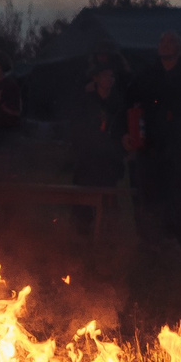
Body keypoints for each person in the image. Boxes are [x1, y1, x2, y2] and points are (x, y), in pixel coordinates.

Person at [132, 31, 181, 248]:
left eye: (171, 42)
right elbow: (132, 104)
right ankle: (151, 241)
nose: (165, 45)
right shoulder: (147, 76)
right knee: (150, 194)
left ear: (180, 47)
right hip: (152, 147)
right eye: (162, 41)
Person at [69, 57, 131, 234]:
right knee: (83, 198)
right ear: (96, 78)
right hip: (87, 158)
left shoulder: (118, 103)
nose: (108, 80)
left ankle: (107, 237)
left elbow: (122, 129)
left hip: (109, 160)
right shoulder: (85, 100)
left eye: (111, 76)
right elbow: (77, 126)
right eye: (104, 76)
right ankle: (80, 235)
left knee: (108, 199)